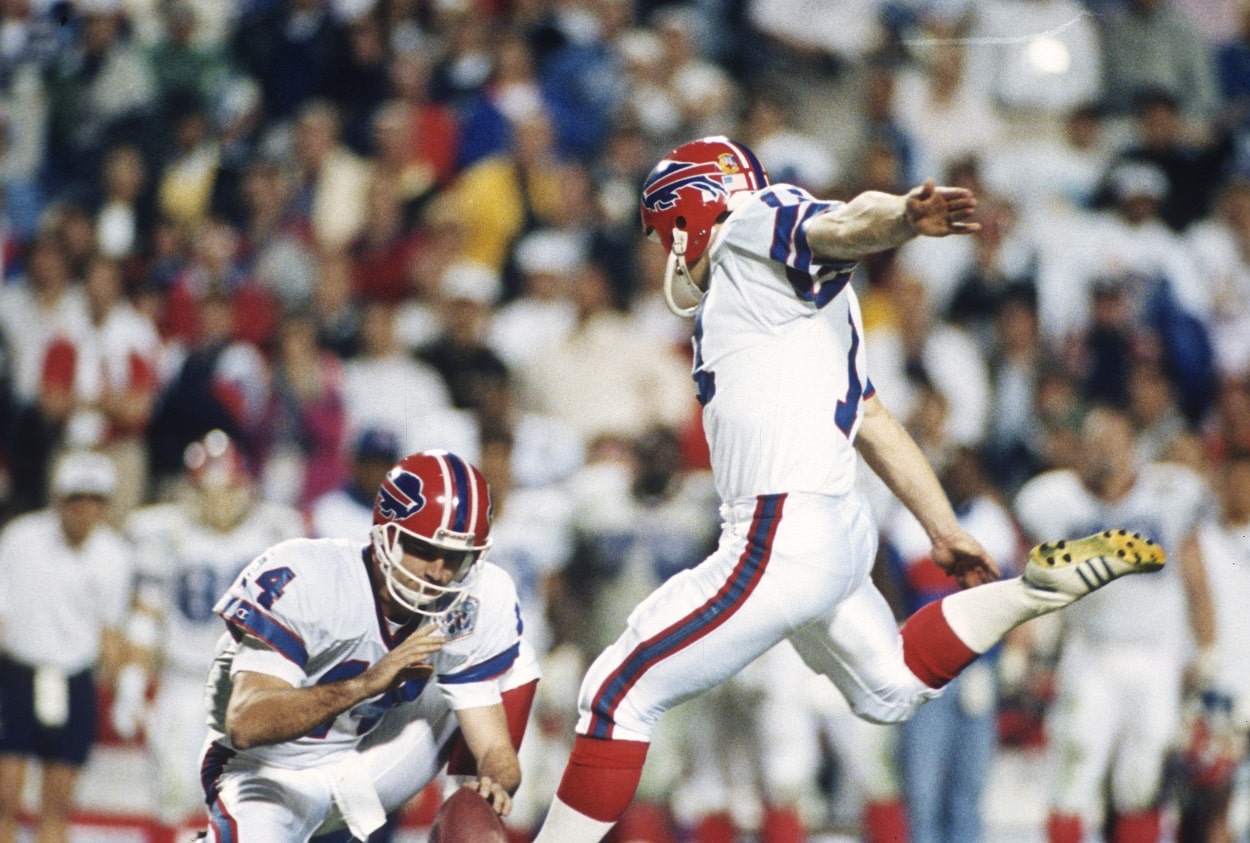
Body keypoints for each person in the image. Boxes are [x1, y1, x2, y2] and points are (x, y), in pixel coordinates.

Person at [529, 136, 1167, 843]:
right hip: (835, 530)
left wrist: (898, 217)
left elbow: (834, 225)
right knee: (889, 687)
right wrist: (943, 527)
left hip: (777, 532)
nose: (665, 254)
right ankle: (1035, 590)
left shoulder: (750, 224)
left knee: (615, 692)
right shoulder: (800, 305)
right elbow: (870, 415)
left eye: (665, 234)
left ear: (692, 214)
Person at [197, 449, 539, 842]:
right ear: (384, 535)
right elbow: (247, 723)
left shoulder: (478, 597)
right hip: (267, 771)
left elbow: (495, 746)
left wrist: (493, 784)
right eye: (424, 549)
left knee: (514, 661)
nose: (439, 572)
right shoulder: (311, 576)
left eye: (456, 558)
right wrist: (367, 683)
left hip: (363, 761)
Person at [1012, 405, 1215, 843]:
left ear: (1134, 446)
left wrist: (1207, 652)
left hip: (1155, 654)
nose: (1107, 453)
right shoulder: (1057, 501)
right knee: (1075, 768)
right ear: (1081, 448)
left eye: (1116, 442)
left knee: (1142, 781)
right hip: (1091, 653)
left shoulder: (1169, 493)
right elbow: (1030, 585)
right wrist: (1022, 649)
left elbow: (1196, 580)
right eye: (1097, 442)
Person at [111, 430, 305, 836]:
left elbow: (299, 625)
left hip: (254, 684)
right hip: (185, 684)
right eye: (206, 490)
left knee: (254, 802)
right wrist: (131, 683)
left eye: (225, 489)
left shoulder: (275, 532)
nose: (217, 501)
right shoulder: (163, 534)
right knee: (174, 795)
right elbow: (146, 618)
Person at [0, 450, 133, 843]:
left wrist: (122, 685)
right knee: (4, 797)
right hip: (19, 673)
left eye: (95, 499)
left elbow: (112, 633)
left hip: (74, 678)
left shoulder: (115, 555)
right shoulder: (21, 539)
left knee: (57, 805)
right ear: (59, 499)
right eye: (76, 498)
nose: (84, 509)